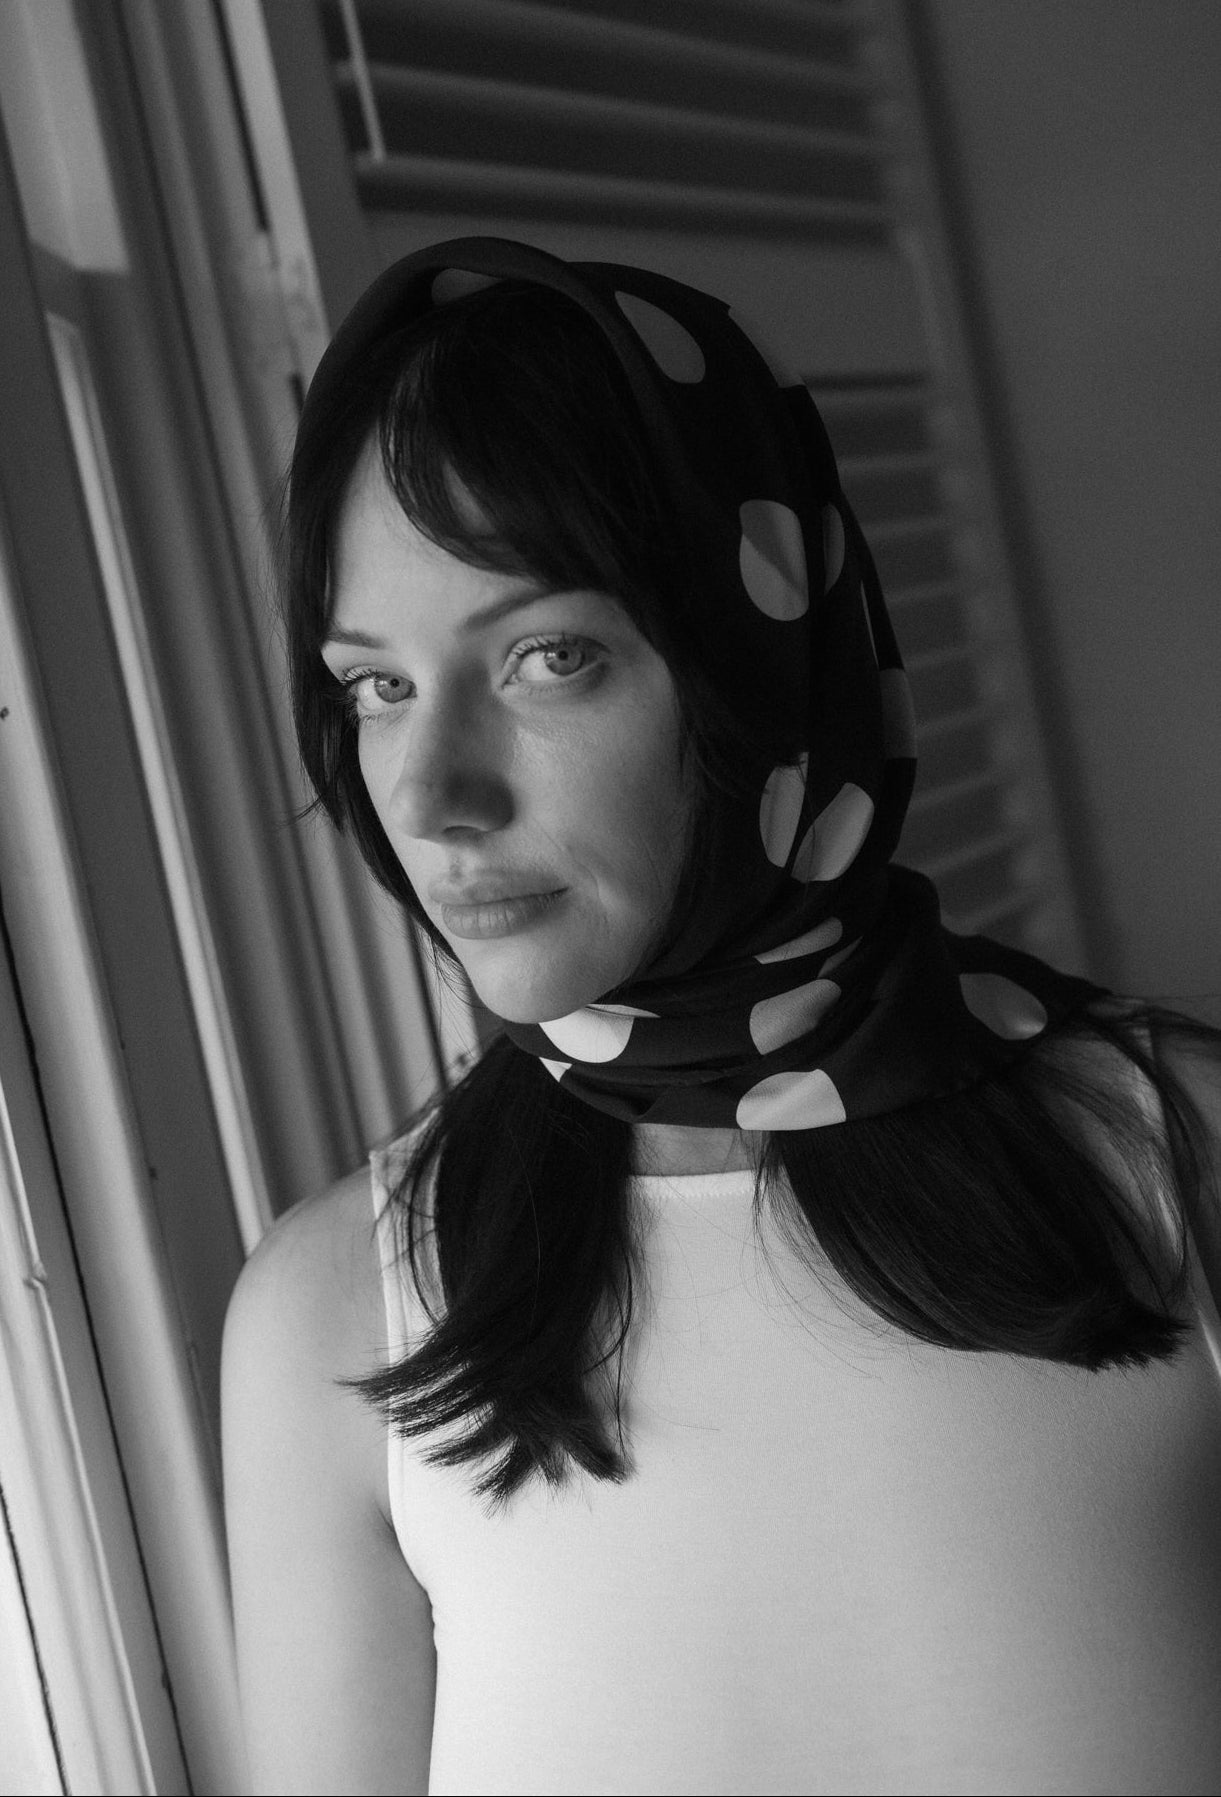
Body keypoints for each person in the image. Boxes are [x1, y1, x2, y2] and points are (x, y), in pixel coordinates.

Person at [221, 238, 1221, 1797]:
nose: (430, 797)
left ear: (754, 655)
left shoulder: (1183, 1155)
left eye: (548, 658)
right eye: (377, 686)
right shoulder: (329, 1321)